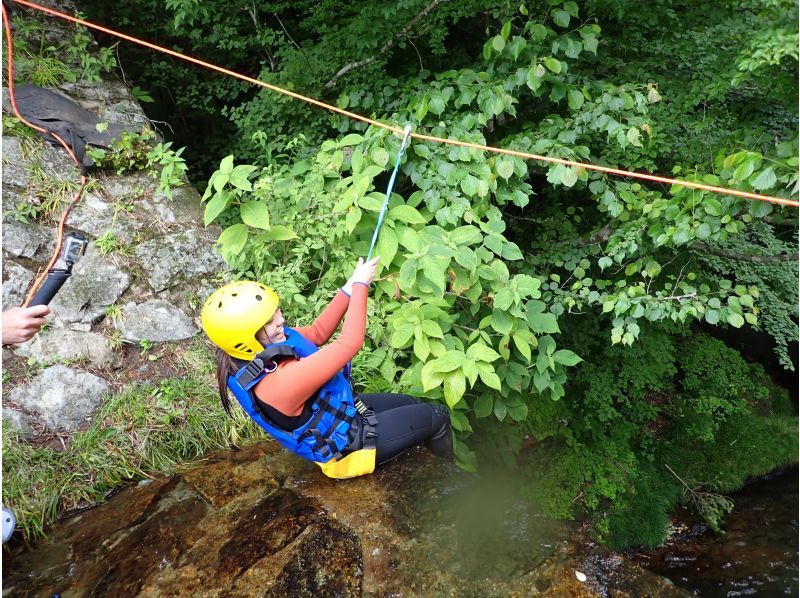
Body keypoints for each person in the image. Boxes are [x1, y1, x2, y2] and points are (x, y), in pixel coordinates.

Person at [201, 256, 453, 479]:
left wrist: (348, 287)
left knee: (411, 402)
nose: (281, 320)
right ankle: (449, 479)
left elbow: (317, 333)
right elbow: (350, 343)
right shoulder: (280, 383)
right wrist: (361, 285)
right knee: (438, 415)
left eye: (276, 312)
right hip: (350, 448)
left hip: (345, 412)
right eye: (270, 321)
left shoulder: (256, 350)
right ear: (247, 335)